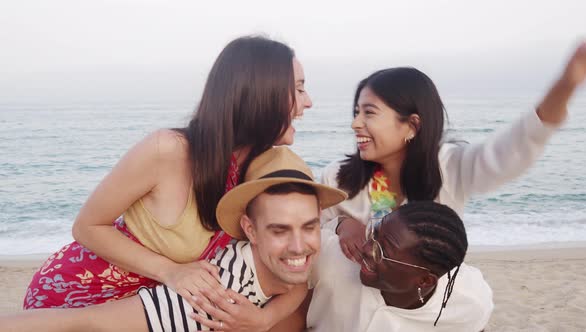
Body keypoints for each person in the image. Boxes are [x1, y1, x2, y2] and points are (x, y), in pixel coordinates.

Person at [23, 35, 313, 330]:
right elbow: (87, 227)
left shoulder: (266, 166)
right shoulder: (169, 150)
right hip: (80, 296)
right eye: (300, 88)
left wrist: (265, 319)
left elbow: (296, 272)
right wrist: (172, 271)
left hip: (159, 307)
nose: (308, 102)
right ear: (262, 92)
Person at [1, 147, 348, 332]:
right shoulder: (215, 296)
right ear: (250, 230)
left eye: (308, 226)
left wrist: (264, 320)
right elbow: (82, 323)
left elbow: (298, 284)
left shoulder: (313, 251)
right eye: (279, 229)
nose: (300, 244)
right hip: (73, 290)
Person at [321, 41, 586, 263]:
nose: (355, 123)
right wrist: (341, 225)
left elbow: (514, 147)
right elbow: (307, 240)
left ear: (412, 125)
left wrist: (566, 85)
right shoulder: (337, 179)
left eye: (369, 112)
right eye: (356, 112)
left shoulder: (450, 168)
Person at [303, 201, 492, 331]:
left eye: (383, 251)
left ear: (425, 280)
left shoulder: (468, 299)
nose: (367, 248)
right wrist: (342, 223)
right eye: (373, 233)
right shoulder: (335, 258)